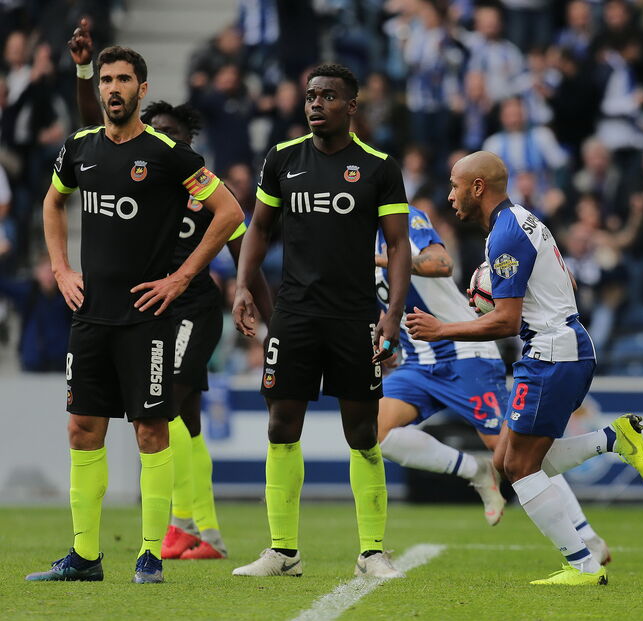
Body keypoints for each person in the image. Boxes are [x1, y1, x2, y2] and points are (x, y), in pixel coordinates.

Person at [25, 46, 244, 584]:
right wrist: (60, 268)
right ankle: (83, 556)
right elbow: (53, 203)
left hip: (146, 318)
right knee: (82, 428)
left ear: (142, 90)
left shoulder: (168, 153)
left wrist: (181, 277)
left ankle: (150, 554)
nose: (114, 88)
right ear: (98, 88)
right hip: (90, 316)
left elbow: (231, 212)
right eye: (106, 80)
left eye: (124, 79)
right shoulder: (79, 148)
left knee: (151, 430)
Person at [68, 20, 273, 561]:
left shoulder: (181, 173)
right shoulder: (130, 164)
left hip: (190, 306)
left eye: (173, 136)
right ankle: (204, 528)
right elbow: (95, 135)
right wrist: (84, 73)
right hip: (146, 307)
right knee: (187, 420)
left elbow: (236, 235)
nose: (164, 142)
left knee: (171, 406)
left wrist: (250, 297)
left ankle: (181, 525)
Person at [407, 152, 643, 586]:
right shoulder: (522, 220)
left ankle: (581, 564)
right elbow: (565, 282)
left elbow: (504, 321)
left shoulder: (505, 235)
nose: (449, 196)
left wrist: (442, 329)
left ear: (479, 186)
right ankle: (613, 439)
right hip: (556, 347)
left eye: (455, 186)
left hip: (552, 353)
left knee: (520, 468)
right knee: (508, 460)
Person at [231, 63, 412, 579]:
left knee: (361, 432)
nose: (315, 103)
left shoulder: (378, 166)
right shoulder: (283, 160)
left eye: (328, 96)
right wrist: (244, 285)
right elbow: (258, 229)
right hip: (294, 316)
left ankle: (372, 552)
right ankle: (282, 552)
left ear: (351, 107)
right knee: (281, 425)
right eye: (311, 95)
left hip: (355, 317)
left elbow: (398, 244)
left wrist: (392, 315)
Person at [374, 205, 612, 564]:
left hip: (464, 353)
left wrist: (383, 259)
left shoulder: (404, 218)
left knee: (516, 455)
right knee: (371, 433)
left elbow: (441, 264)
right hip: (418, 361)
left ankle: (586, 536)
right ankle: (475, 470)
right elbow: (385, 305)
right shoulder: (348, 246)